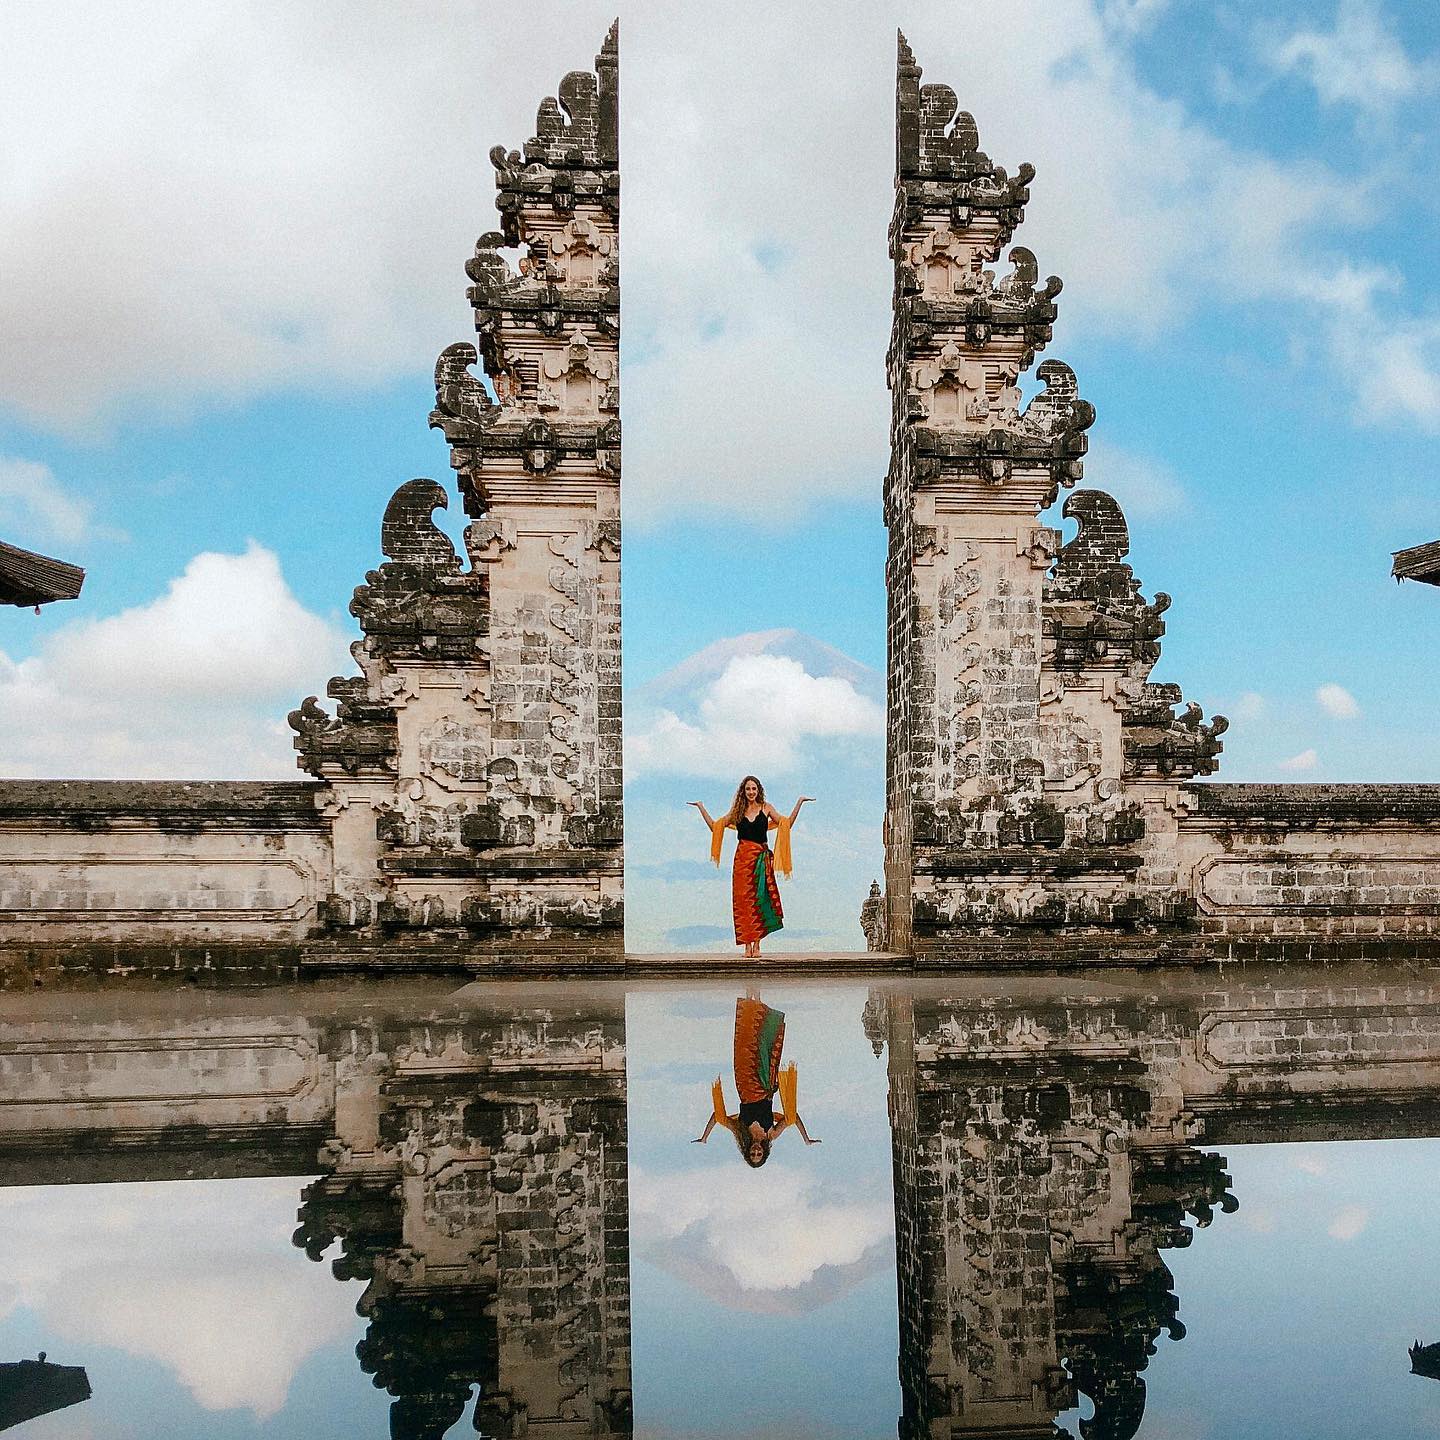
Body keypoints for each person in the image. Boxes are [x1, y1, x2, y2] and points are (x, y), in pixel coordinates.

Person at [689, 776, 813, 958]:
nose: (751, 792)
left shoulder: (766, 807)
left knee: (760, 899)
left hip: (760, 860)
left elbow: (786, 824)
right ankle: (747, 946)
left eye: (754, 788)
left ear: (758, 790)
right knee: (743, 903)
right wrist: (701, 807)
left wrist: (799, 803)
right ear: (743, 791)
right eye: (748, 789)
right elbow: (716, 827)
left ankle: (757, 945)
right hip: (742, 861)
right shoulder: (737, 811)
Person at [693, 992, 821, 1167]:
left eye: (752, 1154)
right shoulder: (771, 1134)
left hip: (745, 1085)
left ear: (747, 1152)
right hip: (766, 1084)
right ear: (764, 1152)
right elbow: (792, 1118)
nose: (755, 1151)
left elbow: (718, 1117)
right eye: (758, 1154)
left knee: (746, 1047)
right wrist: (806, 1139)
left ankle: (749, 996)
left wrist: (704, 1137)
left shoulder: (740, 1132)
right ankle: (757, 998)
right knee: (763, 1046)